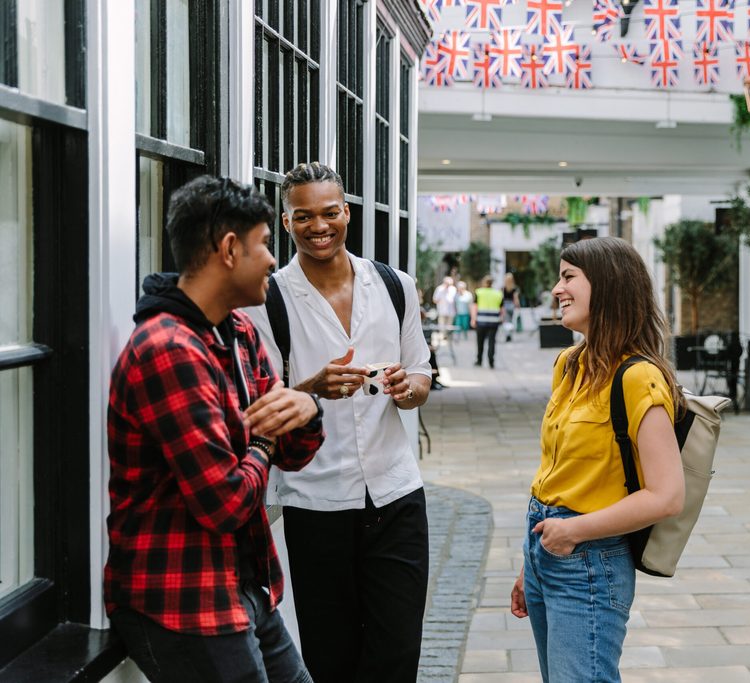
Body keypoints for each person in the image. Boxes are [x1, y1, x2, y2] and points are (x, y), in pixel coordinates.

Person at [105, 176, 325, 683]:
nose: (274, 259)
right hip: (183, 604)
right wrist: (266, 439)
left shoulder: (239, 331)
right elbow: (224, 503)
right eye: (266, 243)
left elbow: (293, 451)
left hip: (244, 588)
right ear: (229, 249)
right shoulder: (169, 349)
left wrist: (308, 407)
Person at [244, 162, 432, 683]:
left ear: (347, 212)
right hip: (316, 501)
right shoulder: (269, 299)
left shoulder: (396, 286)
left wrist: (405, 388)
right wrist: (312, 389)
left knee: (397, 652)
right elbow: (259, 406)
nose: (319, 226)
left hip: (396, 496)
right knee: (331, 656)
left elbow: (420, 374)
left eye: (330, 212)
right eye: (303, 216)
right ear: (287, 223)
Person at [509, 237, 685, 683]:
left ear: (607, 287)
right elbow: (560, 473)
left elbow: (667, 496)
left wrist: (571, 532)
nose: (556, 288)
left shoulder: (639, 377)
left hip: (589, 559)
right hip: (548, 546)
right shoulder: (570, 363)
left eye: (569, 277)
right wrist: (531, 564)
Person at [472, 274, 503, 368]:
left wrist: (473, 319)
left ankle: (479, 360)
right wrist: (501, 318)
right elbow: (502, 308)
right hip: (494, 321)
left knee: (480, 341)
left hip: (481, 321)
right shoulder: (498, 293)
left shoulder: (479, 292)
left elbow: (475, 307)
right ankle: (491, 361)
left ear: (484, 283)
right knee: (492, 342)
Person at [502, 272, 521, 342]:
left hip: (505, 305)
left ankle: (507, 335)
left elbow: (502, 298)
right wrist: (518, 306)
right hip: (512, 305)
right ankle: (510, 335)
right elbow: (516, 298)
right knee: (511, 321)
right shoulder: (514, 288)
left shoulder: (503, 288)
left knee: (506, 321)